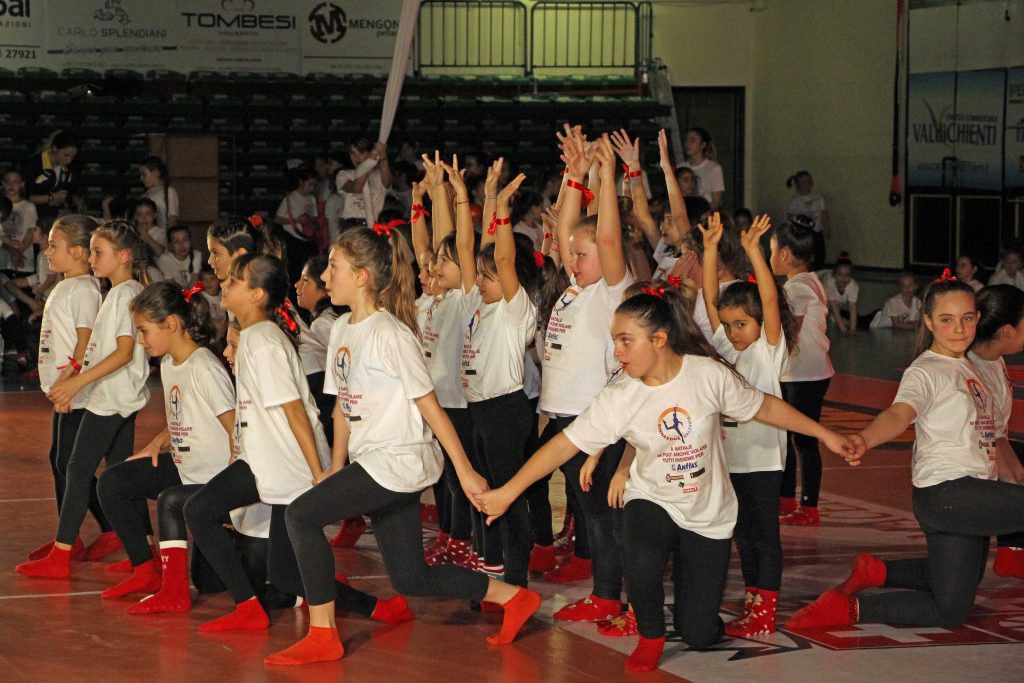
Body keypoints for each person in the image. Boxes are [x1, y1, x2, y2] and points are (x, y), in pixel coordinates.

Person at [474, 284, 848, 672]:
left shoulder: (707, 375)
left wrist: (824, 434)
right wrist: (508, 492)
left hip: (707, 512)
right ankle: (650, 634)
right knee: (640, 557)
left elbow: (765, 406)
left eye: (625, 341)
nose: (617, 351)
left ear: (659, 339)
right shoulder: (620, 394)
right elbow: (564, 445)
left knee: (699, 633)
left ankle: (694, 607)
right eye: (614, 340)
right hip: (652, 497)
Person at [263, 225, 541, 666]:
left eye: (333, 267)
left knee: (301, 515)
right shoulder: (341, 331)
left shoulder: (390, 334)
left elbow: (430, 407)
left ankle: (323, 634)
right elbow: (342, 408)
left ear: (361, 276)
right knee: (411, 578)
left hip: (397, 462)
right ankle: (514, 596)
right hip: (374, 461)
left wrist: (465, 470)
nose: (326, 275)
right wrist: (335, 464)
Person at [786, 276, 1024, 631]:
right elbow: (899, 414)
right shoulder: (926, 370)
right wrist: (865, 438)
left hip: (963, 496)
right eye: (947, 319)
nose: (959, 328)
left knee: (951, 610)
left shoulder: (976, 366)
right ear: (928, 322)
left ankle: (849, 605)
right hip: (949, 492)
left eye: (967, 318)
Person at [183, 254, 405, 633]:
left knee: (200, 510)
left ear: (255, 295)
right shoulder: (253, 336)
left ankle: (248, 608)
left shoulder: (263, 340)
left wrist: (318, 472)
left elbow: (296, 412)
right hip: (265, 462)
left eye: (235, 281)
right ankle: (380, 609)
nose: (225, 285)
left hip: (289, 467)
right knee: (286, 577)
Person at [16, 221, 151, 577]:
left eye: (97, 252)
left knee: (76, 468)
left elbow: (122, 353)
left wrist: (77, 383)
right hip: (114, 394)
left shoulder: (122, 294)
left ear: (123, 256)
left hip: (110, 397)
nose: (92, 259)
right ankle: (146, 557)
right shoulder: (119, 291)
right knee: (118, 476)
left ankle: (62, 554)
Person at [536, 130, 633, 620]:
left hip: (595, 419)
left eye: (582, 255)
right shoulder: (577, 287)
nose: (572, 261)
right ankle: (607, 592)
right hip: (565, 416)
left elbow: (607, 236)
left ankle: (611, 596)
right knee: (589, 513)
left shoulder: (611, 291)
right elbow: (566, 230)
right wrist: (573, 177)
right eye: (571, 254)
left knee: (601, 516)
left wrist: (608, 176)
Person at [95, 281, 240, 602]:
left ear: (171, 324)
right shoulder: (170, 363)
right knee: (114, 481)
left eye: (144, 331)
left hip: (214, 480)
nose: (140, 341)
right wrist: (158, 442)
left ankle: (255, 551)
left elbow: (236, 430)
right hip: (186, 469)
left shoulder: (204, 367)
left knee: (209, 582)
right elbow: (186, 411)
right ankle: (146, 571)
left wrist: (230, 488)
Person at [701, 212, 797, 636]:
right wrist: (708, 251)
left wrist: (755, 251)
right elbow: (708, 298)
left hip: (760, 459)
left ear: (760, 322)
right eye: (729, 324)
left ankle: (765, 608)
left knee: (763, 536)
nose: (734, 332)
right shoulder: (725, 342)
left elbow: (771, 300)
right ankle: (755, 600)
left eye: (742, 324)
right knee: (742, 535)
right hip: (728, 459)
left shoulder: (767, 350)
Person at [23, 215, 104, 563]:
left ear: (79, 252)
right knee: (59, 461)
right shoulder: (65, 285)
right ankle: (70, 535)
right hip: (63, 390)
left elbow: (86, 342)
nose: (47, 251)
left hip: (77, 393)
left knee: (71, 465)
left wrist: (70, 382)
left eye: (55, 246)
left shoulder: (85, 289)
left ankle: (75, 539)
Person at [772, 219, 834, 525]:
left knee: (805, 442)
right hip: (799, 373)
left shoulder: (799, 287)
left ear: (784, 254)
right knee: (786, 438)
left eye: (771, 250)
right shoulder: (807, 280)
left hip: (805, 375)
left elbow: (789, 332)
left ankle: (809, 507)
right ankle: (786, 500)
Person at [967, 285, 1024, 579]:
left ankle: (1012, 551)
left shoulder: (994, 359)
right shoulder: (972, 372)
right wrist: (1013, 479)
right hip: (967, 465)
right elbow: (987, 437)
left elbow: (998, 432)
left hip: (989, 443)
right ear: (1006, 331)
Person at [24, 131, 83, 231]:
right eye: (66, 155)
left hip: (54, 217)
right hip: (31, 217)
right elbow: (23, 196)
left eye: (72, 157)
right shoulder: (34, 164)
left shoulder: (71, 168)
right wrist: (51, 198)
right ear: (55, 148)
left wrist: (74, 200)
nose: (69, 160)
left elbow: (72, 191)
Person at [275, 167, 324, 285]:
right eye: (310, 184)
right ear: (301, 182)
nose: (312, 188)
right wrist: (296, 220)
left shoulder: (312, 198)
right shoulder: (290, 198)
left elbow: (315, 217)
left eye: (314, 185)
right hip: (294, 240)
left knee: (311, 270)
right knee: (295, 271)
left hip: (309, 239)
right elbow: (277, 219)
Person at [336, 138, 391, 230]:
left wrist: (382, 156)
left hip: (375, 225)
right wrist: (367, 164)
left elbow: (387, 183)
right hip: (351, 226)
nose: (357, 157)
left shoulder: (378, 175)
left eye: (361, 153)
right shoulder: (344, 174)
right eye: (353, 153)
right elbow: (356, 188)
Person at [786, 171, 829, 269]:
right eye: (803, 183)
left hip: (816, 231)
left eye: (808, 182)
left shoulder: (818, 198)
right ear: (797, 185)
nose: (806, 185)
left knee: (819, 255)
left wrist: (827, 228)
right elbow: (790, 218)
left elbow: (824, 214)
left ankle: (819, 271)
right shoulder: (795, 201)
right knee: (804, 256)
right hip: (802, 233)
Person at [1, 167, 38, 278]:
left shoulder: (29, 207)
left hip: (23, 257)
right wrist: (12, 252)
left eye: (15, 182)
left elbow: (30, 232)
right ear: (2, 183)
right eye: (7, 182)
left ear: (22, 184)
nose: (11, 185)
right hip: (3, 258)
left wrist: (19, 253)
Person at [681, 127, 724, 210]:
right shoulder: (681, 167)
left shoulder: (714, 168)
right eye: (686, 140)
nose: (687, 144)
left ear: (702, 145)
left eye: (693, 140)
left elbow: (716, 201)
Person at [822, 256, 863, 334]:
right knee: (826, 306)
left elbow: (852, 307)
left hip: (833, 300)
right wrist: (843, 329)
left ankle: (833, 317)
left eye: (847, 275)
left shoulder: (853, 286)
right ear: (835, 275)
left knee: (836, 304)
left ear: (851, 276)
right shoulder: (830, 282)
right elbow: (833, 305)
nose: (843, 278)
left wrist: (852, 329)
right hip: (817, 289)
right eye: (840, 275)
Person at [139, 156, 179, 231]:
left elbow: (172, 219)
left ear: (156, 173)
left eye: (144, 174)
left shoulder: (169, 192)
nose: (141, 178)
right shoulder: (145, 194)